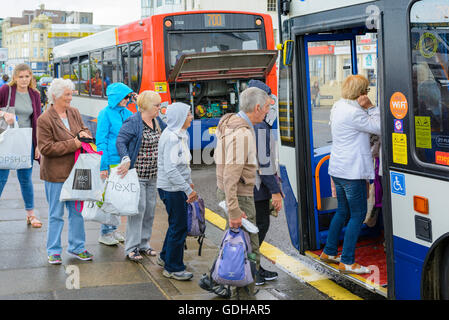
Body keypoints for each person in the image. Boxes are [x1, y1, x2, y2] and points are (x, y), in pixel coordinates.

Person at [211, 86, 271, 297]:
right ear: (256, 107)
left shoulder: (229, 122)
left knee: (237, 247)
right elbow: (230, 174)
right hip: (239, 196)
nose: (266, 113)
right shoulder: (243, 133)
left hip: (231, 193)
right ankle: (243, 299)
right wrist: (235, 210)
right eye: (265, 108)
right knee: (249, 252)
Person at [319, 74, 380, 274]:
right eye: (366, 90)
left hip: (338, 169)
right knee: (358, 214)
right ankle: (347, 260)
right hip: (351, 173)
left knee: (342, 211)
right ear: (361, 93)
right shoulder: (355, 113)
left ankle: (329, 252)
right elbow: (379, 127)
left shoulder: (338, 106)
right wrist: (371, 106)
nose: (367, 93)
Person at [37, 78, 94, 264]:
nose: (71, 97)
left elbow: (83, 128)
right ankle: (53, 251)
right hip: (55, 174)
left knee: (77, 212)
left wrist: (85, 134)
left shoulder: (74, 112)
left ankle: (77, 247)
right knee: (55, 214)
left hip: (77, 171)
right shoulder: (44, 119)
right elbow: (46, 148)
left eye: (71, 94)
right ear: (55, 96)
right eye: (67, 95)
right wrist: (75, 143)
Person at [116, 91, 166, 262]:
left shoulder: (157, 121)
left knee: (150, 211)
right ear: (145, 106)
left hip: (153, 174)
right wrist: (125, 158)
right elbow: (121, 140)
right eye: (156, 105)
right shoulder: (133, 121)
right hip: (137, 175)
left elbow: (167, 136)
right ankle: (131, 247)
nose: (160, 108)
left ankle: (144, 244)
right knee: (138, 210)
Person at [248, 80, 283, 285]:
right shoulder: (259, 125)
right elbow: (265, 163)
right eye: (268, 96)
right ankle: (252, 270)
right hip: (257, 188)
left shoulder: (255, 121)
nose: (272, 100)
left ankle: (256, 267)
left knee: (255, 228)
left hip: (252, 186)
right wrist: (275, 190)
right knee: (258, 227)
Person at [157, 102, 197, 281]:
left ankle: (166, 256)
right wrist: (187, 189)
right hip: (171, 188)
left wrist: (188, 182)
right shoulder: (172, 137)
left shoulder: (182, 134)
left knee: (176, 223)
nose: (191, 117)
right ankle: (173, 268)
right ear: (180, 117)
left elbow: (183, 164)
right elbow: (171, 170)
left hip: (177, 186)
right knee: (179, 226)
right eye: (188, 114)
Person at [0, 64, 42, 228]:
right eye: (21, 76)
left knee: (25, 179)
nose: (24, 80)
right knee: (1, 178)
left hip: (25, 141)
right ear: (15, 77)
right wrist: (4, 114)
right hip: (6, 138)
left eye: (27, 76)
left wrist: (37, 145)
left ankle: (31, 215)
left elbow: (37, 120)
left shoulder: (35, 94)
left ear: (31, 77)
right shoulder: (6, 90)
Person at [96, 82, 136, 246]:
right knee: (110, 198)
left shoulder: (128, 112)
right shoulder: (105, 114)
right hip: (112, 161)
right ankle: (105, 232)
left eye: (129, 96)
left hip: (124, 161)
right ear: (118, 98)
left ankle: (113, 229)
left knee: (119, 196)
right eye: (126, 97)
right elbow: (101, 141)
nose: (128, 99)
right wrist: (103, 166)